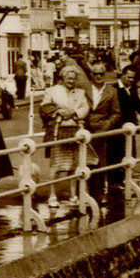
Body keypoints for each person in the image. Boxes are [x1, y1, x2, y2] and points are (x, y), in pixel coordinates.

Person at [38, 64, 88, 209]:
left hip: (75, 131)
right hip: (57, 132)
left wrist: (73, 113)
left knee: (74, 165)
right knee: (56, 165)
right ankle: (52, 195)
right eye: (68, 78)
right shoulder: (52, 91)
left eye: (73, 79)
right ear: (63, 77)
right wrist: (59, 111)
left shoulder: (80, 93)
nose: (71, 81)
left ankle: (73, 195)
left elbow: (85, 108)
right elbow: (44, 108)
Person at [84, 58, 123, 199]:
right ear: (91, 75)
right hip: (86, 129)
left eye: (101, 74)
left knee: (100, 163)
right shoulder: (84, 89)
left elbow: (116, 113)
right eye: (95, 74)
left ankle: (98, 193)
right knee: (83, 161)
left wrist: (106, 125)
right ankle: (83, 192)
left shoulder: (111, 92)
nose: (98, 76)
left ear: (104, 74)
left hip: (102, 130)